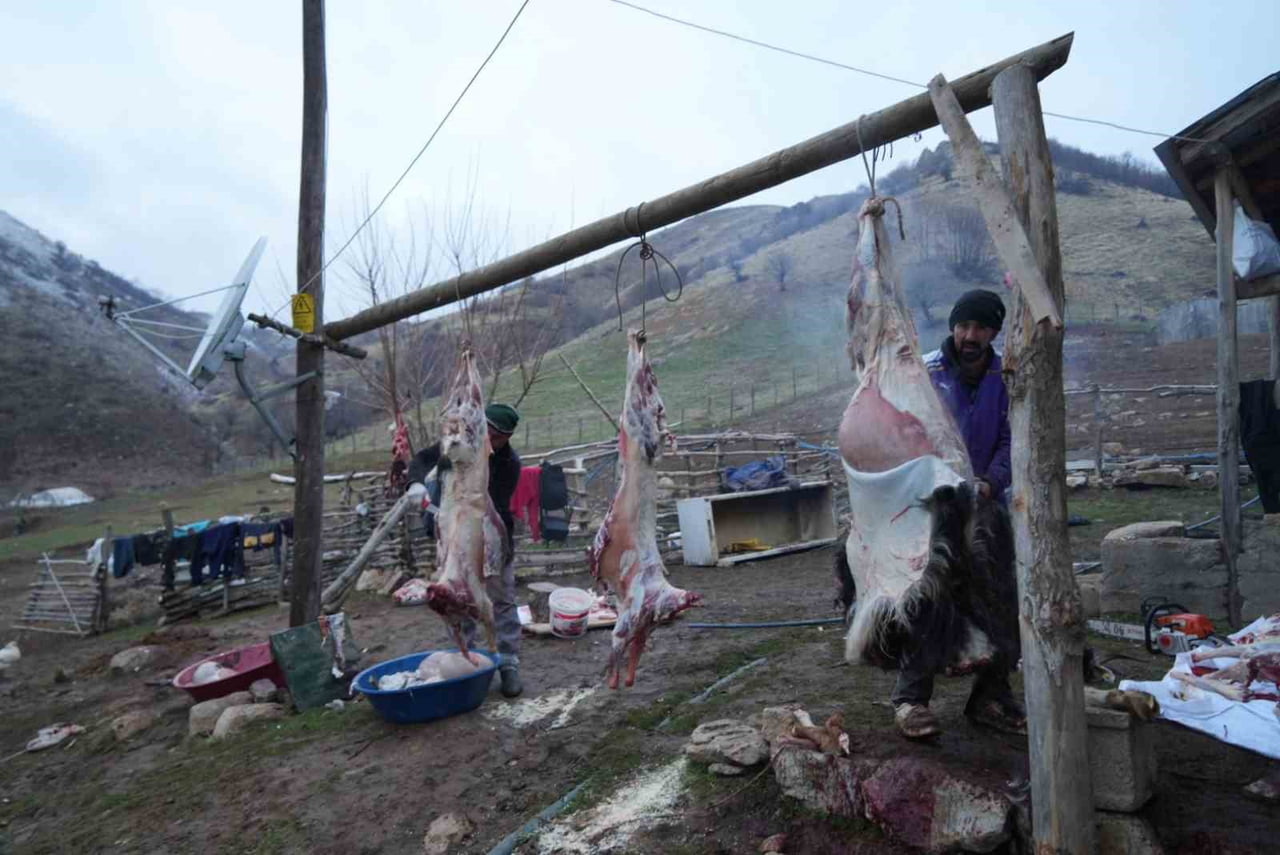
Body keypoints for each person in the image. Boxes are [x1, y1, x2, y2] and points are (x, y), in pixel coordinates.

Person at [889, 289, 1023, 740]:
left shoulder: (1006, 376)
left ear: (994, 332)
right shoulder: (925, 373)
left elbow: (1011, 436)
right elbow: (906, 434)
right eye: (963, 326)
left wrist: (991, 481)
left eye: (980, 327)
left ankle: (990, 695)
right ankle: (910, 701)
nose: (969, 335)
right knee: (931, 600)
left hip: (987, 505)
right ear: (952, 327)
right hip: (933, 508)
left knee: (1005, 600)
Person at [406, 403, 524, 698]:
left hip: (492, 537)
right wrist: (416, 483)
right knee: (456, 596)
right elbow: (421, 461)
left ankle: (508, 663)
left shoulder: (508, 463)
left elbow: (483, 505)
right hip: (456, 536)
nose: (490, 441)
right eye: (488, 433)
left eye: (498, 438)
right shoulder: (456, 446)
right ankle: (463, 658)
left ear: (506, 438)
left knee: (502, 600)